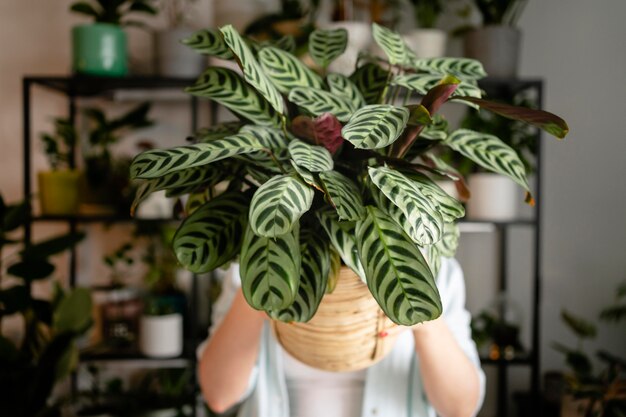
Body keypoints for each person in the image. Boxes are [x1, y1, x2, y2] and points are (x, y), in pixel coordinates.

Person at [198, 257, 485, 417]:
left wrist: (421, 316)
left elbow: (460, 407)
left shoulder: (428, 267)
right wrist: (261, 285)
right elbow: (220, 396)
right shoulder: (255, 263)